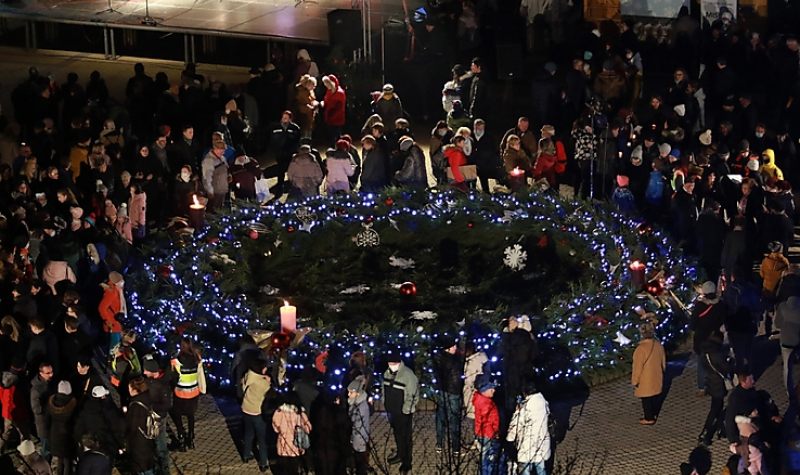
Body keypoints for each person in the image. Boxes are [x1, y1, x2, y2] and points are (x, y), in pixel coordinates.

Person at [381, 351, 419, 474]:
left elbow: (413, 394)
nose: (391, 365)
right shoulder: (387, 373)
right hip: (392, 411)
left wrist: (406, 410)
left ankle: (407, 462)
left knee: (405, 437)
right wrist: (385, 401)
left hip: (404, 413)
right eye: (389, 363)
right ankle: (400, 454)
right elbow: (384, 388)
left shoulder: (408, 375)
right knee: (397, 434)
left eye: (393, 363)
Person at [507, 380, 551, 475]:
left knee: (525, 470)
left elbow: (516, 424)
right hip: (541, 443)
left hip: (527, 446)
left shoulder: (524, 408)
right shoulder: (543, 402)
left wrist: (510, 439)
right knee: (541, 468)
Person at [691, 281, 727, 396]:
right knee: (717, 361)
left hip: (701, 339)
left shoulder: (699, 306)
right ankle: (722, 382)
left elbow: (693, 324)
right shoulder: (720, 305)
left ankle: (702, 387)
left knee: (701, 363)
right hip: (716, 338)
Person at [170, 338, 205, 451]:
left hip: (180, 392)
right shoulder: (197, 359)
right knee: (191, 416)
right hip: (193, 392)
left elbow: (173, 377)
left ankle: (181, 436)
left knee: (177, 414)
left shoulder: (176, 361)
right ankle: (191, 437)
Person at [142, 354, 175, 473]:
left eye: (146, 370)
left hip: (159, 418)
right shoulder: (150, 381)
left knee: (161, 445)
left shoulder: (162, 385)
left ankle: (164, 470)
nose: (144, 372)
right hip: (151, 417)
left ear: (152, 371)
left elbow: (166, 405)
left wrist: (150, 407)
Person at [432, 335, 462, 455]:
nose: (455, 347)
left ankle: (440, 443)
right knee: (454, 420)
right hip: (453, 392)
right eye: (452, 346)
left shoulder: (438, 358)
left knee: (441, 418)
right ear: (447, 348)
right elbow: (456, 379)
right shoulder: (454, 360)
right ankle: (455, 447)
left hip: (442, 391)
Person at [631, 322, 665, 425]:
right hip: (656, 376)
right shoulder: (658, 345)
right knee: (654, 397)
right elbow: (663, 362)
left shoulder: (640, 349)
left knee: (646, 400)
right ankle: (653, 413)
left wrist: (635, 381)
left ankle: (649, 418)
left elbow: (637, 368)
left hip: (645, 379)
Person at [698, 337, 730, 446]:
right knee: (715, 409)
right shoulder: (716, 354)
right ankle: (706, 432)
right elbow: (725, 368)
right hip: (718, 384)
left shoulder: (704, 355)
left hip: (711, 383)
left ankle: (720, 429)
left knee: (717, 407)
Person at [240, 361, 271, 473]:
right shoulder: (262, 383)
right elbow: (269, 392)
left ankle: (246, 455)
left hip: (246, 409)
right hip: (257, 412)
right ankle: (263, 463)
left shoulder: (249, 376)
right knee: (261, 439)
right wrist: (269, 381)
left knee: (248, 433)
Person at [272, 395, 312, 475]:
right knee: (296, 466)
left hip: (283, 444)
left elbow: (275, 427)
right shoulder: (300, 413)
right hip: (297, 444)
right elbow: (308, 427)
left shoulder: (279, 412)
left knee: (285, 467)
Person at [125, 377, 156, 475]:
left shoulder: (135, 405)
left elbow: (132, 427)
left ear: (135, 390)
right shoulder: (148, 398)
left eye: (130, 388)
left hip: (139, 443)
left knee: (141, 467)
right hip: (148, 439)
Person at [48, 380, 77, 475]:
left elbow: (46, 419)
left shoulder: (51, 403)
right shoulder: (73, 405)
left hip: (55, 435)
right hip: (68, 437)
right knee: (68, 461)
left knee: (60, 460)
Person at [347, 376, 371, 475]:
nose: (348, 394)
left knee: (360, 461)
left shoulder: (361, 407)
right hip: (357, 437)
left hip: (359, 438)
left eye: (351, 392)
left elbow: (358, 423)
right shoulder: (356, 403)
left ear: (357, 393)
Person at [30, 362, 54, 459]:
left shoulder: (51, 382)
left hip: (52, 421)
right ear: (41, 373)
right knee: (46, 450)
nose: (51, 374)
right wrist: (50, 406)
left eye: (52, 372)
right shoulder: (36, 390)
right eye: (48, 373)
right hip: (43, 424)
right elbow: (36, 409)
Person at [776, 296, 800, 391]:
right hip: (798, 340)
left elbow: (777, 324)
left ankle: (789, 391)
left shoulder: (782, 307)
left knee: (787, 368)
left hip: (786, 341)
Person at [98, 271, 125, 354]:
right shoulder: (112, 293)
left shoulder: (117, 291)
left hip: (115, 325)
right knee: (113, 349)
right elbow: (102, 308)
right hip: (113, 325)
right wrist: (108, 321)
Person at [201, 139, 229, 212]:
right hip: (215, 192)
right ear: (215, 148)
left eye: (223, 150)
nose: (222, 152)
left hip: (222, 190)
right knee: (213, 211)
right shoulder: (208, 160)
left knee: (220, 210)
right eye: (220, 150)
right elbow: (206, 178)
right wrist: (210, 191)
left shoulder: (222, 158)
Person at [321, 75, 346, 143]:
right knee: (331, 137)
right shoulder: (329, 91)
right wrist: (323, 103)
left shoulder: (339, 93)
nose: (326, 85)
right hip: (329, 117)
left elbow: (338, 106)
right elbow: (326, 100)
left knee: (336, 136)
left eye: (327, 83)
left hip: (337, 118)